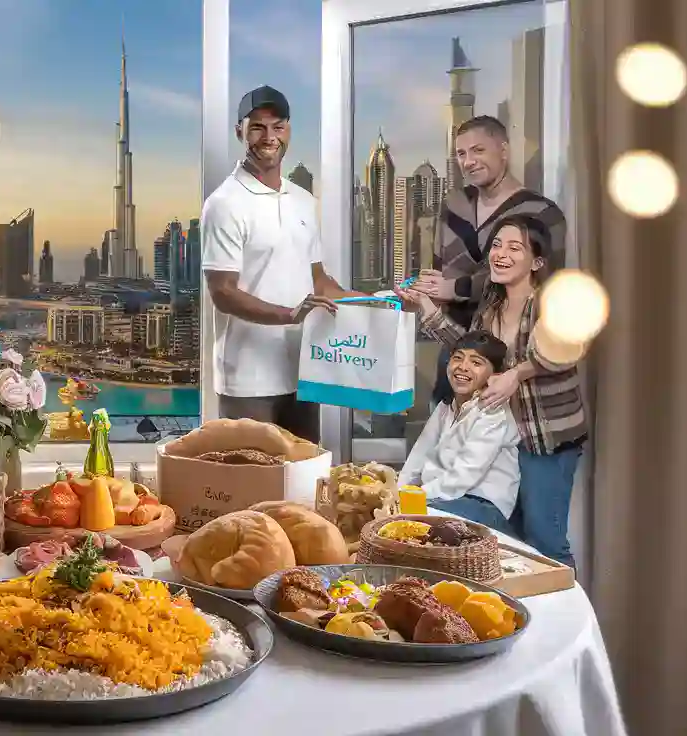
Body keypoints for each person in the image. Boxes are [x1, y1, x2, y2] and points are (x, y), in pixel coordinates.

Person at [396, 213, 588, 568]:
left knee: (544, 538)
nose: (501, 253)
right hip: (502, 434)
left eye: (515, 247)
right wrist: (425, 307)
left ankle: (568, 612)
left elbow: (568, 348)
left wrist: (518, 373)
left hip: (545, 438)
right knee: (509, 544)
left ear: (538, 261)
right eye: (498, 244)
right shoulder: (492, 301)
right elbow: (471, 351)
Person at [201, 86, 360, 442]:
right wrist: (289, 314)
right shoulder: (225, 203)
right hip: (249, 379)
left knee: (303, 481)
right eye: (257, 127)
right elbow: (223, 292)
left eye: (278, 126)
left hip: (304, 368)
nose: (268, 137)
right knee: (256, 483)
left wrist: (373, 302)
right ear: (239, 131)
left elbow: (318, 281)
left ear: (288, 131)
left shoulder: (302, 200)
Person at [415, 115, 568, 406]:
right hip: (455, 349)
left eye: (478, 150)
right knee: (448, 440)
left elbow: (544, 285)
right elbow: (441, 270)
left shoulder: (543, 213)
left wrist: (455, 288)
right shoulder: (453, 204)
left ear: (504, 151)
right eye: (461, 153)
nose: (468, 161)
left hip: (512, 358)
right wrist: (427, 294)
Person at [399, 330, 521, 536]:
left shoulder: (492, 411)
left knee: (410, 524)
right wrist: (397, 491)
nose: (463, 367)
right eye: (457, 358)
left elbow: (463, 476)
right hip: (441, 499)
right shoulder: (446, 406)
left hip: (483, 506)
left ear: (495, 375)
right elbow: (418, 456)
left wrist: (415, 497)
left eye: (476, 362)